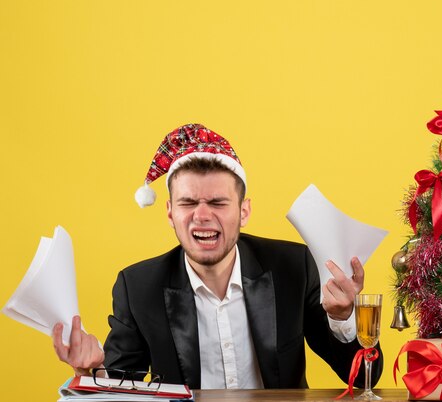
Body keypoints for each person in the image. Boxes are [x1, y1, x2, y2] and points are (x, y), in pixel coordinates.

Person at [52, 124, 383, 389]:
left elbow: (364, 378)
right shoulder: (137, 287)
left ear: (244, 211)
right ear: (169, 212)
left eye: (218, 202)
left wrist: (343, 319)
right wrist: (91, 371)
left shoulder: (293, 267)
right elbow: (125, 389)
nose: (202, 215)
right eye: (188, 203)